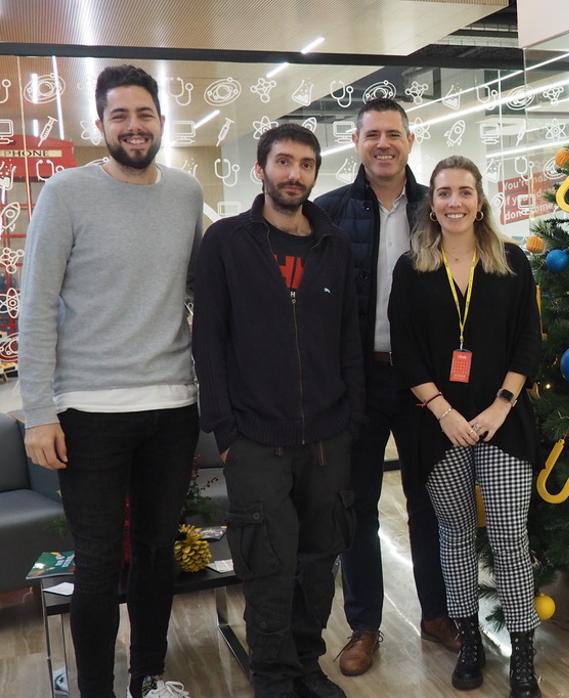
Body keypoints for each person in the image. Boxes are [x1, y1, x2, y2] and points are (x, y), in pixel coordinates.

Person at [20, 64, 202, 698]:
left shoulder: (185, 193)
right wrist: (37, 410)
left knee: (156, 551)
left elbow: (202, 289)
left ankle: (150, 676)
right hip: (88, 411)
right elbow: (37, 302)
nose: (133, 126)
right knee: (98, 562)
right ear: (99, 125)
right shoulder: (66, 192)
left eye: (143, 114)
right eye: (119, 116)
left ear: (160, 121)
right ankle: (96, 687)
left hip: (173, 405)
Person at [192, 124, 363, 698]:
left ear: (316, 173)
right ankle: (271, 675)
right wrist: (225, 429)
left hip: (327, 435)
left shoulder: (332, 245)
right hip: (255, 437)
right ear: (260, 169)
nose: (295, 174)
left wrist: (353, 419)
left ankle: (305, 666)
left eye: (307, 164)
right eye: (283, 162)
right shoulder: (226, 243)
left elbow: (349, 339)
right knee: (267, 561)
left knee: (319, 561)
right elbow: (208, 340)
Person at [314, 98, 458, 677]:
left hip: (428, 381)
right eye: (371, 134)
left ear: (409, 140)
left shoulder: (437, 209)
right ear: (356, 142)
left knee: (431, 502)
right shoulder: (328, 213)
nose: (382, 144)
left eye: (392, 134)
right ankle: (365, 624)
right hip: (359, 379)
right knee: (358, 506)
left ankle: (440, 614)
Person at [388, 156, 542, 698]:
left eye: (465, 192)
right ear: (432, 202)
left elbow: (528, 341)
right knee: (454, 535)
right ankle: (471, 643)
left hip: (504, 421)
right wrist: (444, 412)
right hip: (439, 427)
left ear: (481, 202)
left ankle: (523, 655)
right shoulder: (411, 269)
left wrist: (502, 404)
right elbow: (404, 353)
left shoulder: (512, 264)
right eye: (444, 192)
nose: (454, 202)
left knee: (507, 535)